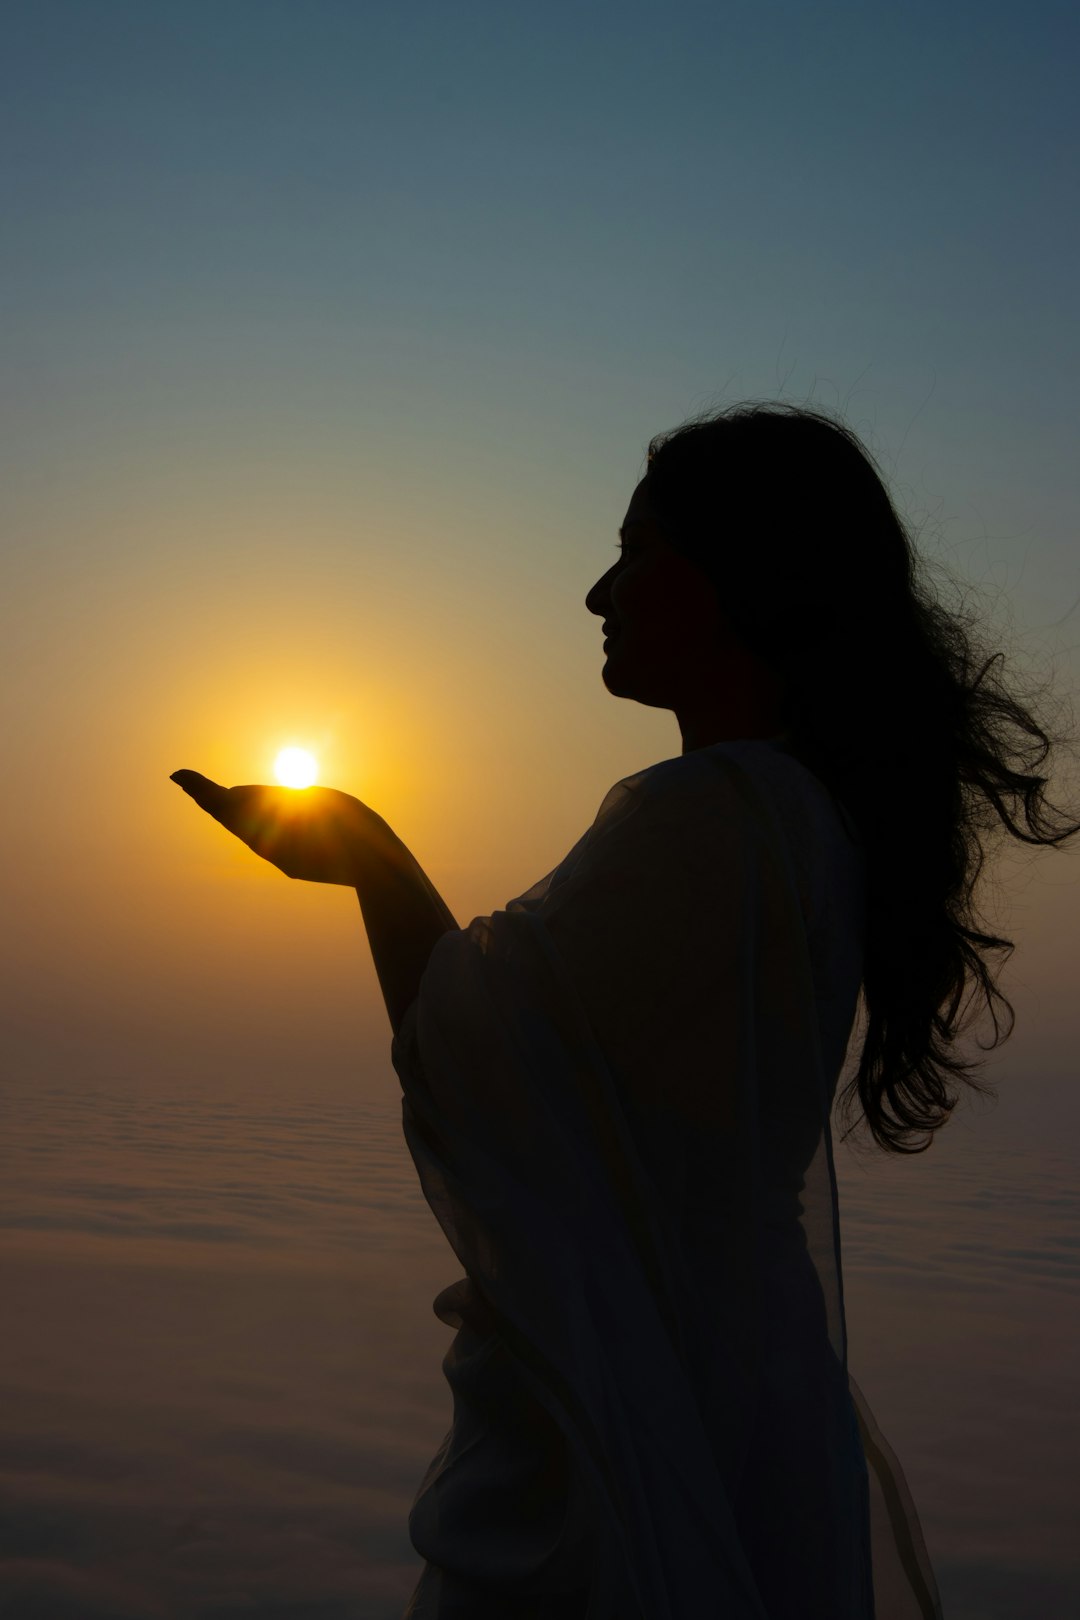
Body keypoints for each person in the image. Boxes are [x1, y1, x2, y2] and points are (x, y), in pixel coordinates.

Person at [172, 402, 1080, 1619]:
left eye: (639, 550)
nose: (601, 592)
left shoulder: (715, 814)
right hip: (741, 1382)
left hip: (643, 1403)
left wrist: (375, 862)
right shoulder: (804, 818)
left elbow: (474, 1066)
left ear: (746, 577)